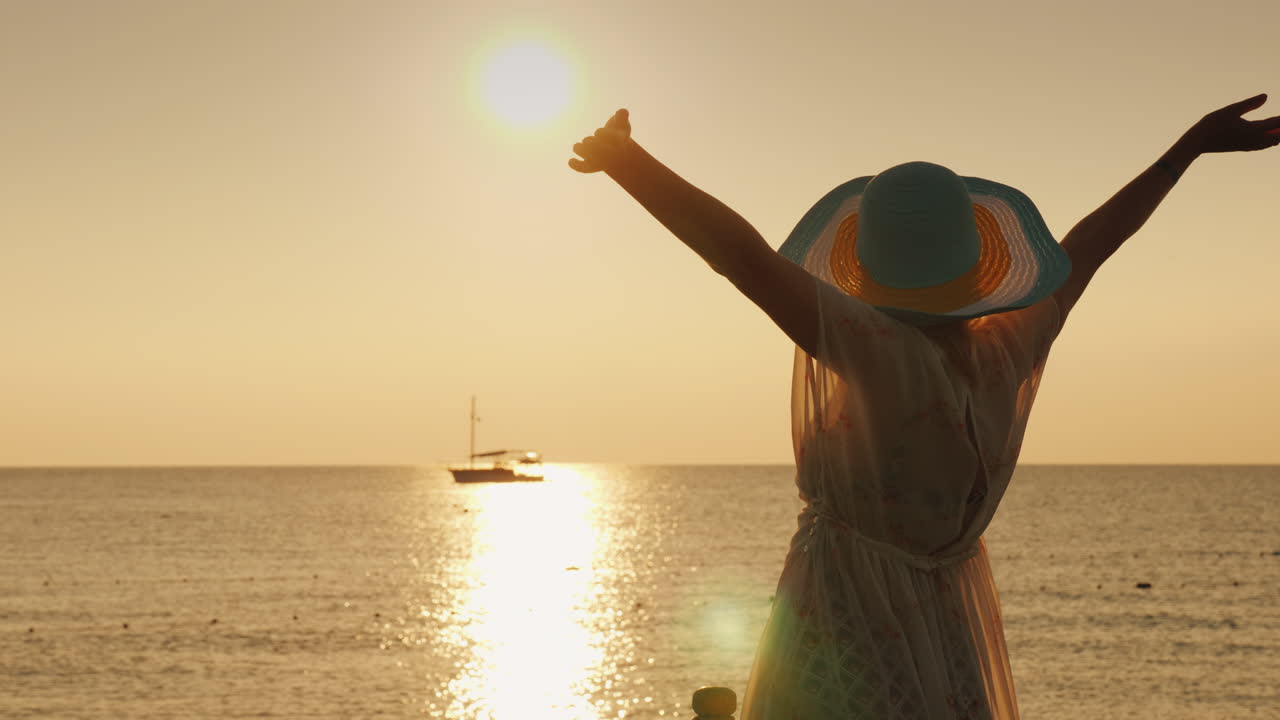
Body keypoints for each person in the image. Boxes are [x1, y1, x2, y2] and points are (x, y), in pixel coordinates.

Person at [569, 95, 1280, 719]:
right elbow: (1094, 243)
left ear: (869, 267)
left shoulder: (872, 349)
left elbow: (746, 260)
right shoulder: (1013, 345)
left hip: (846, 615)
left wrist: (631, 165)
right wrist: (1189, 148)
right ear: (976, 265)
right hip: (950, 617)